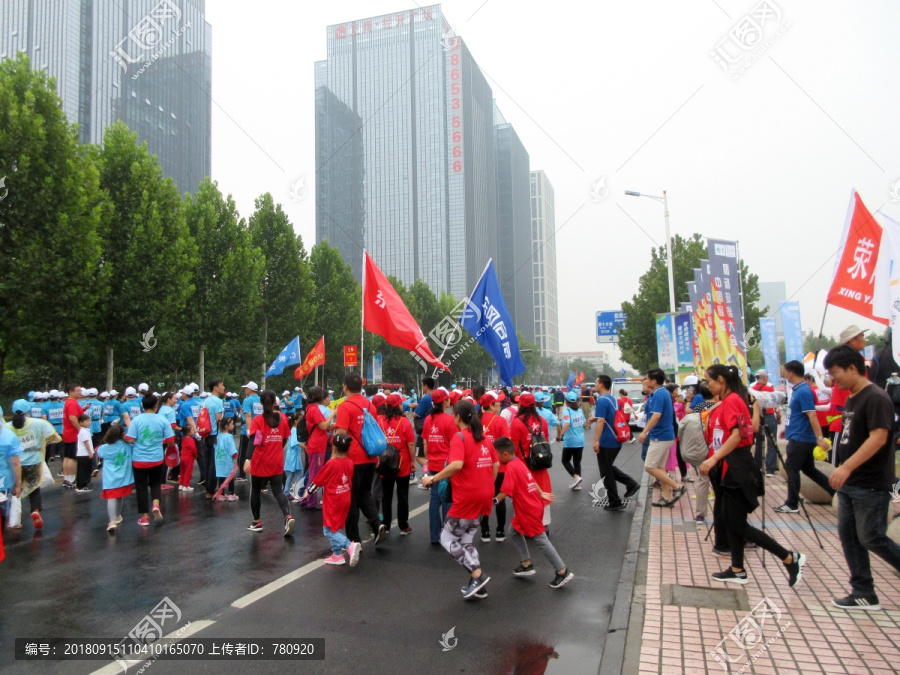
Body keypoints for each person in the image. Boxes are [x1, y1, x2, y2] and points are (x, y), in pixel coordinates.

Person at [699, 364, 806, 587]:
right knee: (731, 521)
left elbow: (738, 436)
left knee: (738, 525)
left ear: (721, 380)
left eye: (708, 381)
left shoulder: (734, 401)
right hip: (729, 468)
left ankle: (789, 557)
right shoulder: (727, 401)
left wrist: (714, 458)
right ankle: (737, 569)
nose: (707, 385)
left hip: (737, 469)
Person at [823, 345, 900, 610]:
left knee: (872, 537)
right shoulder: (853, 397)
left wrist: (845, 467)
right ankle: (863, 592)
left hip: (870, 483)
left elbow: (878, 437)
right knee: (850, 537)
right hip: (850, 483)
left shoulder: (876, 397)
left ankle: (864, 589)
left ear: (853, 368)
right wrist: (842, 468)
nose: (834, 380)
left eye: (836, 373)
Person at [421, 400, 497, 599]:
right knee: (466, 540)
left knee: (446, 538)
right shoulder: (485, 438)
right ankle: (477, 584)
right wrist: (486, 483)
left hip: (467, 497)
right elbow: (496, 465)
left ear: (457, 417)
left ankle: (477, 574)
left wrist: (433, 478)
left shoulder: (460, 437)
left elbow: (456, 465)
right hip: (485, 495)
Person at [495, 437, 574, 589]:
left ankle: (562, 571)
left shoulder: (511, 467)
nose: (495, 457)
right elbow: (531, 480)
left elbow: (504, 491)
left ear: (504, 454)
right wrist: (541, 492)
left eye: (496, 454)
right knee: (514, 532)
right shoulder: (519, 462)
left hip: (527, 509)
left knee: (541, 540)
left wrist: (493, 501)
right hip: (531, 505)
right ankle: (526, 564)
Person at [333, 373, 386, 545]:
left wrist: (334, 457)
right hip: (370, 456)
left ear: (345, 387)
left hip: (352, 459)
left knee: (351, 499)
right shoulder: (370, 404)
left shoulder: (345, 406)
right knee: (365, 493)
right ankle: (376, 525)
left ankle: (353, 540)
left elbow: (341, 435)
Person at [775, 361, 833, 514]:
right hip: (799, 436)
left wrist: (819, 437)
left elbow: (812, 415)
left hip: (801, 438)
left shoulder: (803, 391)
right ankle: (835, 492)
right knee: (809, 469)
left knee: (792, 468)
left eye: (785, 371)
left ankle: (792, 503)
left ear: (791, 373)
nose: (784, 374)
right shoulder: (799, 390)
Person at [303, 434, 361, 566]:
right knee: (336, 527)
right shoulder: (350, 462)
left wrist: (308, 492)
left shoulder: (331, 464)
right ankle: (337, 554)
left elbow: (318, 480)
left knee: (328, 530)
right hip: (345, 498)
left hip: (333, 500)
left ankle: (349, 545)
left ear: (333, 448)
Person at [244, 389, 295, 536]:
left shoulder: (258, 421)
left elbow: (253, 441)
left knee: (255, 490)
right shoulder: (284, 418)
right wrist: (277, 447)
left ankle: (257, 522)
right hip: (277, 460)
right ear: (275, 402)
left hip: (260, 461)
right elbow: (285, 438)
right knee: (278, 491)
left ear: (261, 403)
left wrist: (248, 459)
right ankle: (288, 517)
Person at [7, 400, 59, 530]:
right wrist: (43, 443)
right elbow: (55, 437)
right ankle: (35, 510)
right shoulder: (39, 423)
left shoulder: (7, 426)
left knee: (15, 490)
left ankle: (15, 520)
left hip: (14, 463)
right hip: (34, 461)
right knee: (34, 488)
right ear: (28, 411)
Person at [124, 394, 175, 526]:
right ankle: (156, 505)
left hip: (139, 459)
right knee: (155, 484)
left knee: (141, 487)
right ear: (156, 406)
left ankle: (144, 517)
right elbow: (170, 441)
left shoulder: (136, 420)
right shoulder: (163, 420)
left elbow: (130, 439)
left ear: (142, 405)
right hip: (157, 458)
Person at [592, 375, 640, 511]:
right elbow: (608, 417)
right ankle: (630, 484)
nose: (595, 384)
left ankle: (615, 500)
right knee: (608, 468)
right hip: (616, 439)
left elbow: (601, 421)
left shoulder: (601, 400)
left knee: (606, 472)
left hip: (607, 440)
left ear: (601, 384)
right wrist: (594, 418)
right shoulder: (613, 398)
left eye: (596, 381)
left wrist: (596, 440)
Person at [639, 368, 684, 507]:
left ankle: (678, 487)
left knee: (649, 466)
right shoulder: (661, 392)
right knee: (660, 467)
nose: (645, 381)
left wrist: (644, 432)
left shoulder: (659, 394)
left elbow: (656, 415)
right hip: (665, 435)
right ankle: (667, 497)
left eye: (646, 378)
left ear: (653, 381)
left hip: (660, 436)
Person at [510, 393, 554, 530]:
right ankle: (544, 524)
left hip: (525, 465)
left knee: (526, 495)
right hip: (540, 462)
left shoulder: (517, 422)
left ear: (521, 405)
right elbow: (545, 441)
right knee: (544, 492)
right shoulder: (542, 421)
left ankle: (528, 525)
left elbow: (514, 447)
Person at [378, 393, 416, 535]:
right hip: (402, 463)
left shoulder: (380, 421)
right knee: (402, 495)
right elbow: (410, 444)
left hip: (384, 462)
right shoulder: (404, 422)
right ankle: (403, 526)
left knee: (386, 495)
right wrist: (413, 462)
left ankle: (386, 525)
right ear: (398, 406)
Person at [422, 387, 456, 544]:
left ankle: (434, 536)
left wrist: (428, 460)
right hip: (446, 465)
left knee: (435, 499)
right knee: (447, 499)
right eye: (448, 399)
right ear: (445, 402)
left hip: (433, 464)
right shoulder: (450, 420)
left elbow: (425, 442)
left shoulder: (428, 419)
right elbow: (453, 444)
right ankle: (447, 535)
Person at [479, 391, 510, 542]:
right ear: (491, 405)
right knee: (499, 498)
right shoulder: (500, 421)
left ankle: (485, 531)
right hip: (500, 467)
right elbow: (507, 442)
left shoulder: (476, 420)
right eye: (497, 402)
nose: (499, 404)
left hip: (480, 465)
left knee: (484, 498)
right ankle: (500, 531)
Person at [300, 386, 334, 509]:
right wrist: (333, 414)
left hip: (316, 444)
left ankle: (306, 498)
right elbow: (324, 426)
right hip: (317, 445)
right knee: (314, 475)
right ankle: (310, 501)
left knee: (313, 474)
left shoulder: (310, 408)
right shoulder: (314, 409)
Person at [97, 425, 134, 534]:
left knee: (111, 498)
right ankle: (118, 516)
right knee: (119, 497)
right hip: (124, 477)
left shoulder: (105, 448)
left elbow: (98, 452)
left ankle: (112, 521)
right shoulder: (127, 446)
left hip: (110, 478)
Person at [750, 369, 779, 476]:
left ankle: (758, 467)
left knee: (758, 442)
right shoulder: (770, 389)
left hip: (757, 417)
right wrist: (778, 415)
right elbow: (775, 403)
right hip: (769, 416)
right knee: (772, 442)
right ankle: (770, 469)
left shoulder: (751, 390)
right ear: (764, 378)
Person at [62, 384, 90, 489]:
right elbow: (73, 418)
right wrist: (81, 430)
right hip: (73, 433)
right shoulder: (72, 403)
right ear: (71, 392)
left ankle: (67, 478)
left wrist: (83, 409)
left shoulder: (69, 402)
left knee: (68, 456)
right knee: (73, 458)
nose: (80, 392)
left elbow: (75, 415)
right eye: (77, 391)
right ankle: (71, 479)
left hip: (67, 432)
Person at [202, 380, 226, 498]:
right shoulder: (218, 401)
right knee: (214, 462)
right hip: (214, 434)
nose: (224, 387)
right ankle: (211, 490)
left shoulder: (206, 400)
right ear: (215, 388)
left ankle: (208, 488)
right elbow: (218, 419)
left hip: (205, 434)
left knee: (207, 461)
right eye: (222, 385)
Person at [0, 408, 23, 528]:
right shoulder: (9, 435)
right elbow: (16, 463)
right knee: (2, 512)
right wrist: (18, 485)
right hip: (3, 481)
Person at [559, 390, 586, 490]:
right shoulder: (580, 411)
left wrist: (559, 435)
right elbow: (584, 424)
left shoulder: (567, 411)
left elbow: (566, 424)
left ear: (566, 401)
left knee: (565, 460)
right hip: (580, 440)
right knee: (577, 462)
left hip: (570, 441)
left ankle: (576, 477)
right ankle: (577, 484)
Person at [214, 417, 238, 502]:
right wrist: (235, 457)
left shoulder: (218, 436)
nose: (233, 425)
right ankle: (231, 494)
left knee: (221, 476)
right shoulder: (229, 436)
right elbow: (232, 449)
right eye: (231, 424)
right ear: (227, 426)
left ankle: (221, 494)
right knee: (230, 476)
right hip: (228, 460)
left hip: (219, 460)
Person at [284, 414, 305, 501]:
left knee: (297, 473)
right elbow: (296, 443)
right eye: (300, 419)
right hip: (292, 455)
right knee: (294, 474)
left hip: (294, 455)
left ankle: (294, 491)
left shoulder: (295, 429)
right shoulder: (294, 430)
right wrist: (306, 447)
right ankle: (289, 492)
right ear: (296, 421)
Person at [74, 414, 95, 493]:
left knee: (84, 470)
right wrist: (90, 452)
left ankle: (82, 485)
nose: (89, 422)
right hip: (84, 454)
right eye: (87, 421)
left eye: (89, 420)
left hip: (84, 454)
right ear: (81, 423)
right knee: (84, 470)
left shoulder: (85, 430)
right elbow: (86, 442)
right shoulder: (83, 431)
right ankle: (81, 485)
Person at [178, 421, 198, 492]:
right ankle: (186, 485)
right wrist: (196, 455)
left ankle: (181, 484)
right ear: (188, 432)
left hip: (182, 456)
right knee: (188, 472)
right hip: (189, 458)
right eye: (192, 430)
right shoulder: (191, 440)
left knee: (182, 471)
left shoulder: (183, 439)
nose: (193, 431)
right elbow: (193, 449)